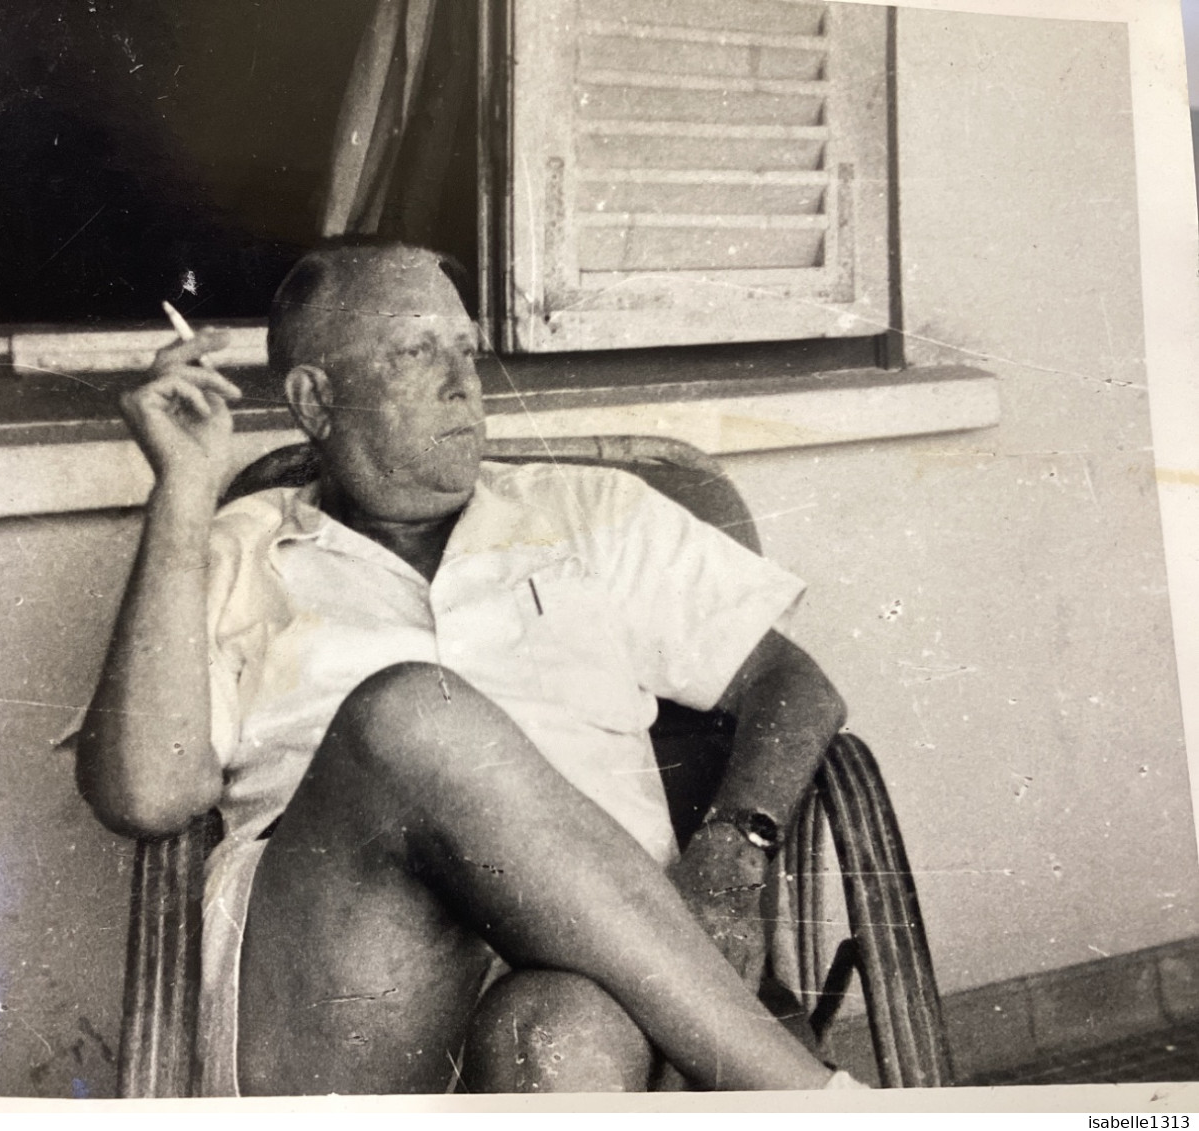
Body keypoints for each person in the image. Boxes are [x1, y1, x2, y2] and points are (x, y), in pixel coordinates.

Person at [76, 243, 861, 1095]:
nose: (464, 381)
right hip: (347, 1008)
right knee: (410, 711)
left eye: (465, 346)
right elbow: (145, 795)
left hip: (616, 988)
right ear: (314, 399)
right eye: (417, 350)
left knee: (559, 1039)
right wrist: (184, 491)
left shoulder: (593, 513)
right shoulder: (236, 548)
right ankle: (814, 1103)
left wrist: (734, 844)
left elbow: (794, 684)